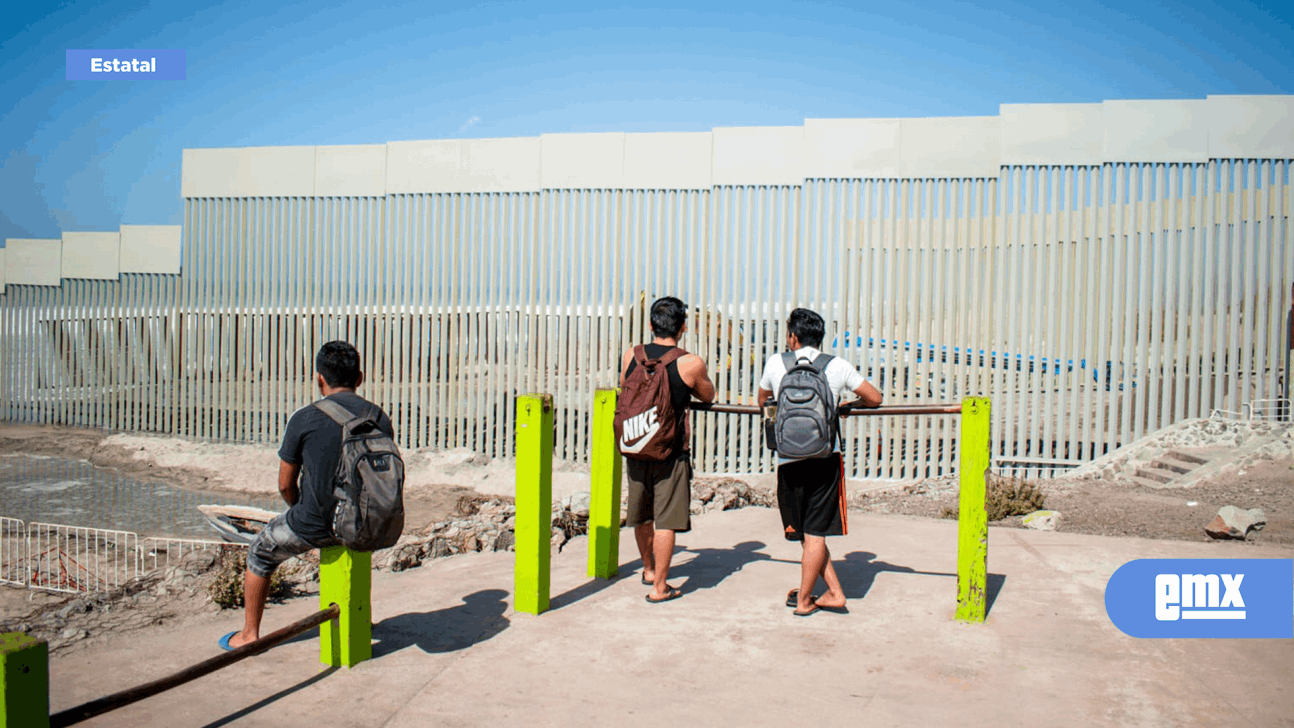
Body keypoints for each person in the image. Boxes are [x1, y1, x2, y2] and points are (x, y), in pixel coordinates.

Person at [220, 341, 394, 650]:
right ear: (360, 378)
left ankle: (249, 634)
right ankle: (360, 617)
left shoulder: (303, 418)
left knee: (260, 552)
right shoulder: (378, 417)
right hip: (365, 523)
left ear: (319, 379)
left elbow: (285, 484)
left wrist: (300, 510)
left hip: (315, 525)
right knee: (353, 546)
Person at [756, 308, 882, 616]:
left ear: (793, 337)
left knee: (805, 534)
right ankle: (832, 593)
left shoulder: (776, 363)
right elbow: (875, 398)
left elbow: (762, 401)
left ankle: (805, 599)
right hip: (825, 459)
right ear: (820, 337)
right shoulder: (836, 366)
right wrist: (850, 405)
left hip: (788, 458)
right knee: (815, 534)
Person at [620, 296, 715, 603]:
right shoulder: (690, 362)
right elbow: (708, 395)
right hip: (671, 452)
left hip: (635, 444)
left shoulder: (630, 356)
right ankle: (660, 586)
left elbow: (624, 388)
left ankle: (648, 568)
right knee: (666, 521)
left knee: (641, 514)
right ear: (683, 327)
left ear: (651, 325)